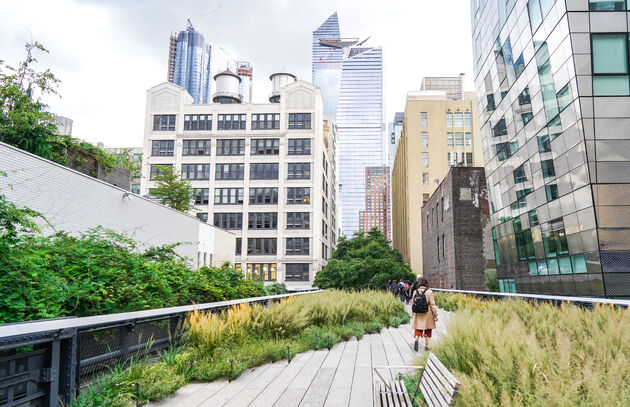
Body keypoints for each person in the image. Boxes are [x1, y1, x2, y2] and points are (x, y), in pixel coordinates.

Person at [411, 277, 438, 352]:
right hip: (427, 312)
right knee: (428, 329)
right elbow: (432, 304)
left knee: (418, 328)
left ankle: (416, 338)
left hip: (418, 312)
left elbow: (413, 302)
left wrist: (413, 313)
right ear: (426, 284)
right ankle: (426, 345)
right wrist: (435, 315)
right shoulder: (429, 292)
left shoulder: (415, 291)